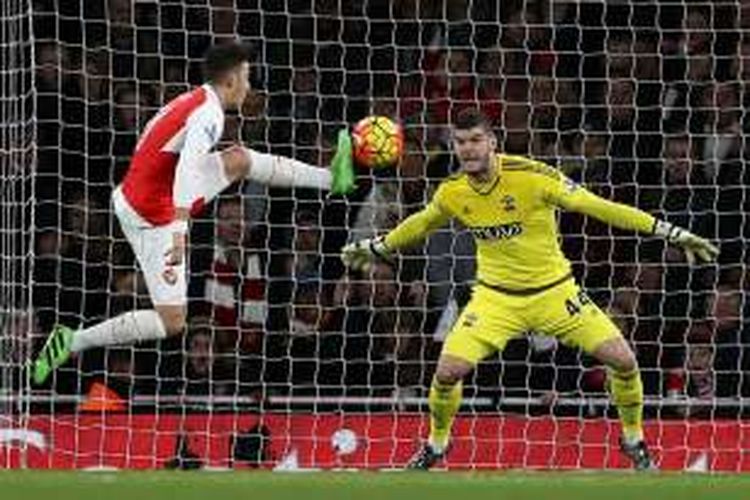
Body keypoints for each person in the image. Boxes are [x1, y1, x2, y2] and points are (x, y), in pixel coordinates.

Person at [341, 108, 718, 470]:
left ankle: (633, 438)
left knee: (623, 361)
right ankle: (437, 443)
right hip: (494, 299)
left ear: (492, 142)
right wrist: (376, 247)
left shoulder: (533, 176)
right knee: (446, 372)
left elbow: (600, 206)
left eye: (476, 140)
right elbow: (420, 224)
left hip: (555, 293)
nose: (468, 148)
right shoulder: (453, 191)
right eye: (460, 142)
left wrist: (670, 231)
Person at [32, 42, 355, 384]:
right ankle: (72, 341)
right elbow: (187, 168)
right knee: (173, 321)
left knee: (239, 159)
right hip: (152, 215)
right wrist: (178, 229)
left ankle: (331, 179)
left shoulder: (192, 99)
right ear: (231, 80)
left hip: (142, 194)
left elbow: (154, 143)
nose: (250, 86)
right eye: (246, 78)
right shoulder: (209, 114)